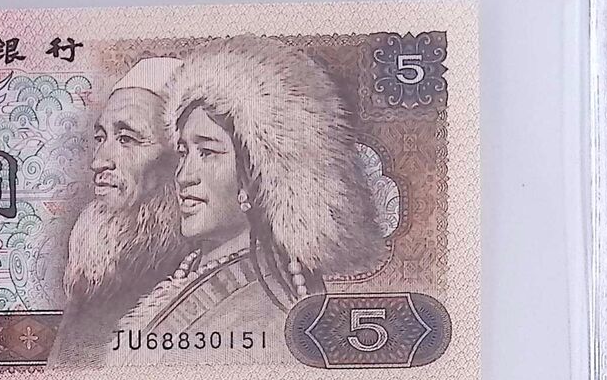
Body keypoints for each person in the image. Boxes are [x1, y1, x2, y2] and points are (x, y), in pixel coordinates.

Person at [121, 37, 385, 340]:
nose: (183, 176)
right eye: (183, 152)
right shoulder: (197, 271)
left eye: (207, 152)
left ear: (259, 173)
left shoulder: (267, 306)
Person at [53, 57, 187, 360]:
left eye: (126, 139)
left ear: (179, 158)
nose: (98, 162)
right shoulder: (95, 277)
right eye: (101, 138)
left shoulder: (193, 273)